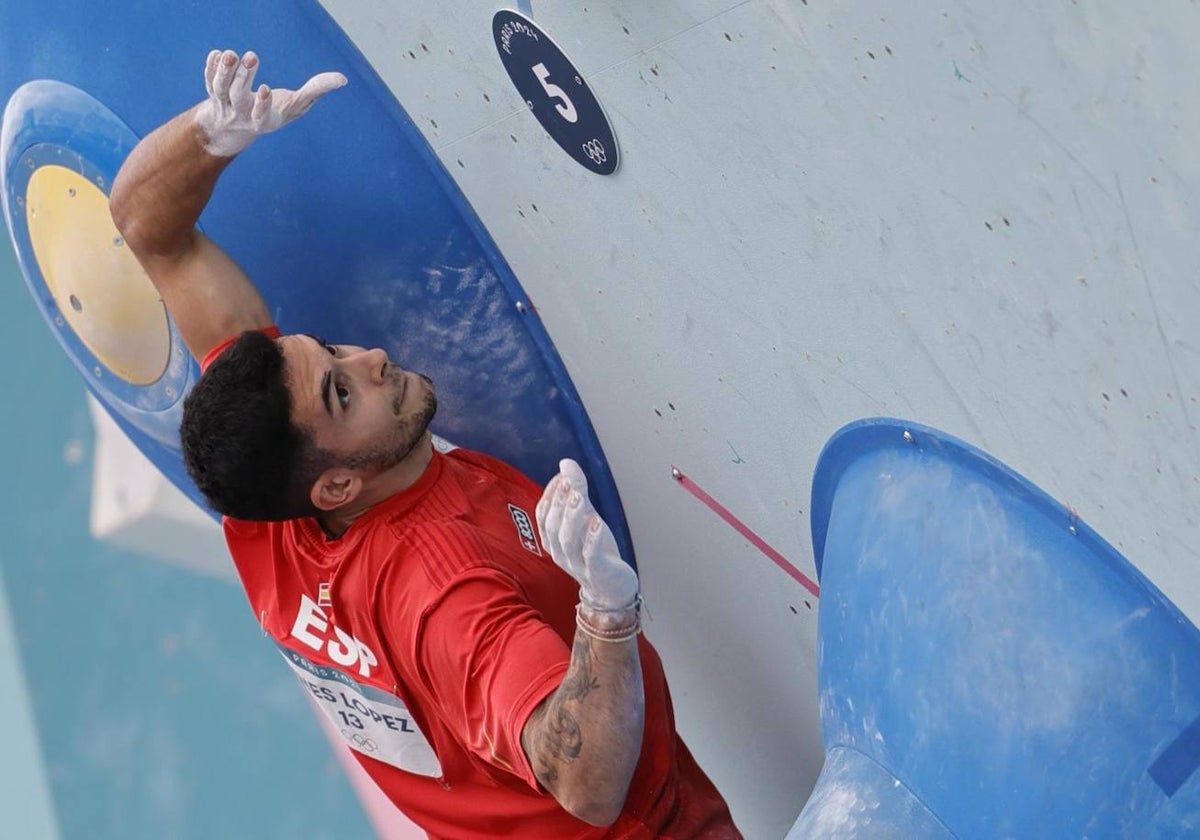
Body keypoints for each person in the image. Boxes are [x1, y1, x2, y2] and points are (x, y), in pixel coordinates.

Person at [109, 49, 741, 839]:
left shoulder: (265, 504)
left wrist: (214, 130)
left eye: (330, 352)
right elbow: (585, 781)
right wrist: (607, 616)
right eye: (344, 393)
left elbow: (146, 228)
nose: (368, 359)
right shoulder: (439, 589)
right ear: (335, 488)